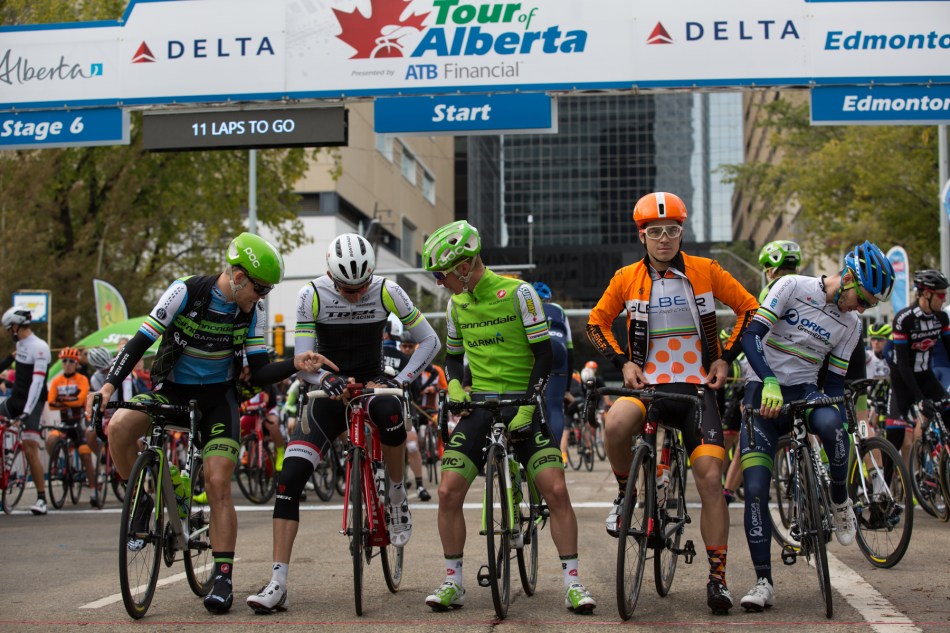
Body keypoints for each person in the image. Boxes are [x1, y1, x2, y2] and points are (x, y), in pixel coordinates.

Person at [88, 232, 334, 613]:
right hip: (171, 388)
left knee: (218, 482)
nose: (263, 296)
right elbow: (139, 342)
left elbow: (259, 370)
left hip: (219, 399)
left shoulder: (254, 311)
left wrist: (295, 363)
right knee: (118, 426)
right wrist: (106, 387)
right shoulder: (184, 291)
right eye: (259, 287)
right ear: (237, 276)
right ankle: (143, 499)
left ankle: (222, 577)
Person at [247, 232, 439, 615]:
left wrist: (396, 382)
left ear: (372, 275)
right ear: (329, 275)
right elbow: (303, 361)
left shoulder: (389, 291)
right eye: (345, 287)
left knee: (391, 414)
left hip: (372, 385)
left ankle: (397, 494)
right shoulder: (311, 295)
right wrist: (324, 380)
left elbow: (429, 341)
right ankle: (278, 583)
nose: (354, 294)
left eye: (361, 286)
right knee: (290, 478)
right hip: (328, 392)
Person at [587, 192, 758, 615]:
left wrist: (724, 356)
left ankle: (717, 578)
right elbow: (595, 323)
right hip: (648, 386)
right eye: (655, 232)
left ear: (683, 231)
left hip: (697, 389)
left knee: (710, 479)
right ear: (642, 235)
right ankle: (626, 494)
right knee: (613, 425)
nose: (665, 238)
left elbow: (750, 310)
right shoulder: (627, 277)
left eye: (673, 230)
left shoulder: (705, 271)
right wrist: (623, 362)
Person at [421, 220, 596, 615]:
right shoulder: (456, 303)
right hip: (480, 406)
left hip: (523, 403)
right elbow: (452, 355)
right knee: (448, 492)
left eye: (441, 274)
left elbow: (545, 355)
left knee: (556, 490)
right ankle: (453, 581)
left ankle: (573, 583)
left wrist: (531, 404)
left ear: (464, 268)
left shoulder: (520, 294)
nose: (439, 283)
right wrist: (453, 384)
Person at [737, 240, 895, 612]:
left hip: (806, 390)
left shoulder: (851, 323)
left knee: (835, 428)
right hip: (763, 389)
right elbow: (751, 336)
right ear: (849, 277)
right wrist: (768, 381)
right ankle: (763, 582)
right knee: (756, 486)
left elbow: (836, 382)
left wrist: (841, 411)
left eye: (871, 304)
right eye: (864, 298)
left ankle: (840, 500)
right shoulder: (792, 286)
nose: (863, 307)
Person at [885, 269, 950, 462]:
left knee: (947, 415)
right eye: (941, 295)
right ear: (926, 294)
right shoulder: (904, 319)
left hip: (925, 375)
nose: (944, 299)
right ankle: (882, 488)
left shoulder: (941, 318)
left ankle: (932, 473)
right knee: (895, 436)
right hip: (902, 380)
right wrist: (920, 399)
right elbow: (903, 365)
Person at [0, 308, 51, 515]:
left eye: (9, 328)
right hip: (16, 399)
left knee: (30, 447)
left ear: (16, 326)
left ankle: (41, 499)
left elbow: (37, 383)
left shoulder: (40, 347)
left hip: (34, 401)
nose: (8, 332)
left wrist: (27, 413)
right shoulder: (20, 345)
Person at [46, 347, 98, 505]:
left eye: (71, 361)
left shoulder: (82, 379)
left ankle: (94, 490)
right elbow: (50, 404)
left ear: (76, 364)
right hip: (64, 424)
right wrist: (69, 400)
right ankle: (60, 465)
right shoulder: (56, 381)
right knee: (50, 440)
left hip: (78, 424)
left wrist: (62, 401)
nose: (67, 364)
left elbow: (79, 400)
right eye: (64, 361)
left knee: (86, 455)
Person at [532, 282, 574, 457]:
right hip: (558, 350)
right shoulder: (558, 309)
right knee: (555, 408)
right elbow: (570, 350)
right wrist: (567, 389)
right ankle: (553, 456)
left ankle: (530, 455)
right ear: (548, 298)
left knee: (528, 405)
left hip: (535, 349)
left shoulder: (523, 307)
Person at [399, 338, 433, 501]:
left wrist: (424, 389)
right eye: (404, 346)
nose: (406, 349)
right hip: (383, 404)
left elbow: (419, 386)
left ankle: (420, 485)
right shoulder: (388, 356)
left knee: (412, 445)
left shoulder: (414, 361)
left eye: (409, 346)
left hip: (408, 406)